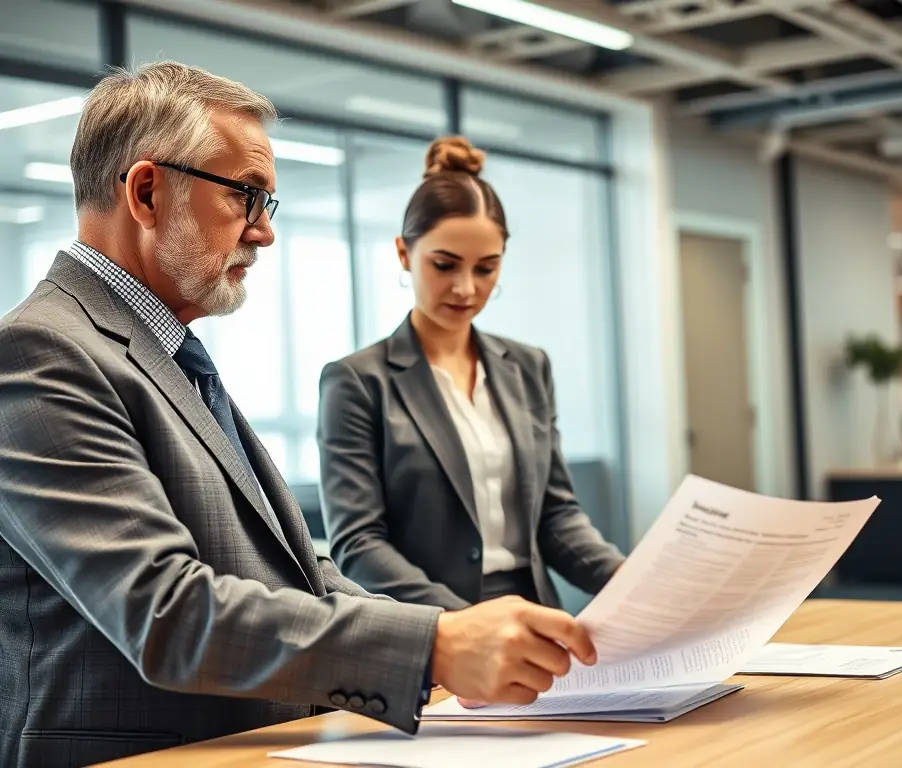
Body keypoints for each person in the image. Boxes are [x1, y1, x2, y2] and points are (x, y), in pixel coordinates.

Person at [0, 64, 598, 768]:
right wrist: (434, 647)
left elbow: (294, 568)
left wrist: (441, 640)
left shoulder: (165, 349)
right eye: (246, 196)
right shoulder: (39, 353)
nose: (263, 233)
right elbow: (164, 611)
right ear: (147, 192)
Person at [317, 136, 625, 611]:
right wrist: (467, 624)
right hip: (432, 625)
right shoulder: (357, 382)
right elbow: (359, 545)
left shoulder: (528, 367)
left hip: (534, 612)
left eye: (486, 268)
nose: (465, 289)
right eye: (445, 265)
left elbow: (556, 516)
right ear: (404, 254)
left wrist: (629, 579)